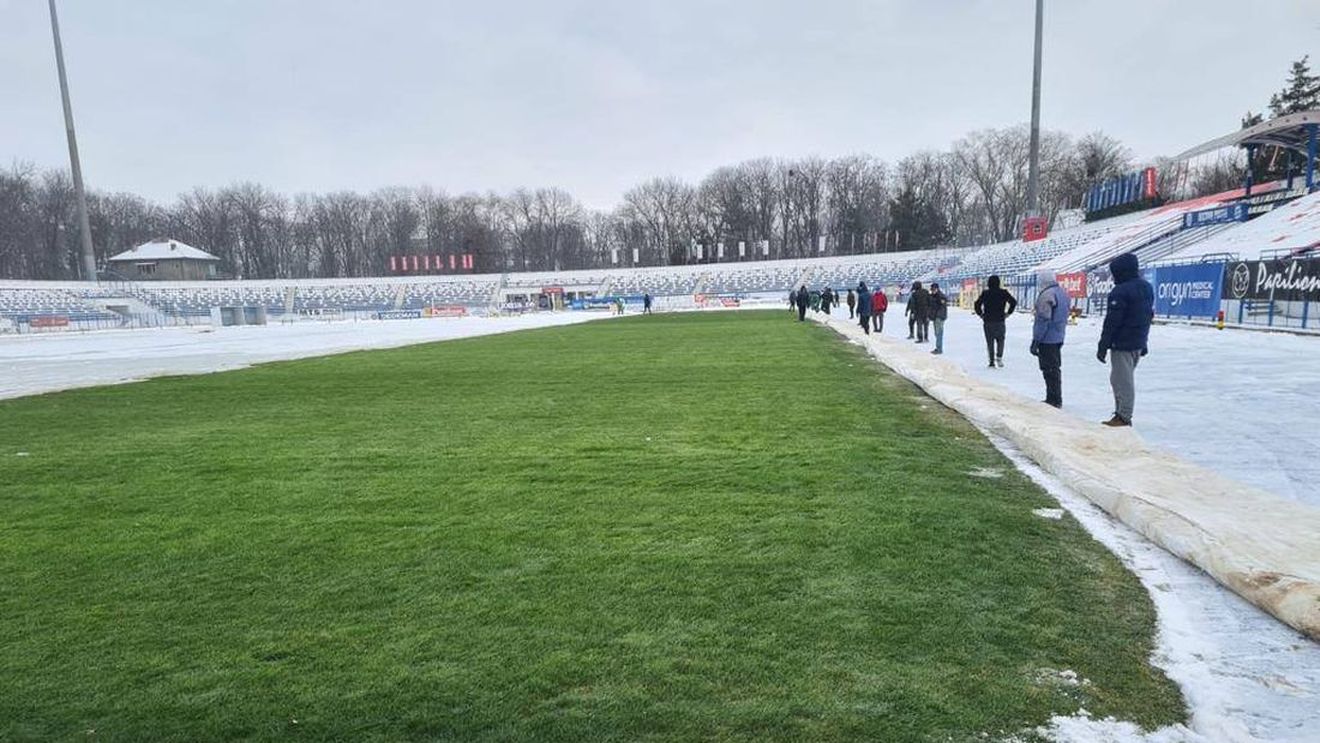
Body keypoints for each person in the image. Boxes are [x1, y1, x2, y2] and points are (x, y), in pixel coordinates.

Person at [1097, 252, 1154, 427]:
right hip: (1137, 340)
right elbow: (1147, 316)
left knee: (1122, 379)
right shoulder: (1146, 287)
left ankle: (1123, 416)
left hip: (1122, 342)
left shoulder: (1120, 291)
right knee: (1121, 378)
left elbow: (1112, 321)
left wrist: (1103, 345)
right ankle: (1121, 412)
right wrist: (1143, 341)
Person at [1031, 269, 1069, 408]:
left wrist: (1036, 340)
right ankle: (1055, 396)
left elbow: (1043, 319)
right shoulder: (1062, 292)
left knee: (1049, 369)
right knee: (1055, 367)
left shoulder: (1046, 295)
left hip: (1047, 337)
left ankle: (1053, 398)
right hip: (1059, 335)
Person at [973, 275, 1018, 368]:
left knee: (990, 341)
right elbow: (1013, 302)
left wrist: (981, 314)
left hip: (988, 321)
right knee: (1000, 340)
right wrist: (1008, 313)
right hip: (1000, 320)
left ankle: (991, 361)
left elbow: (977, 304)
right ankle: (999, 357)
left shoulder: (985, 293)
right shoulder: (1003, 293)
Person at [928, 283, 949, 354]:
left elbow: (942, 306)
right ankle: (938, 347)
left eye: (934, 290)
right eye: (932, 290)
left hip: (939, 317)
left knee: (939, 333)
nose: (932, 291)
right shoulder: (933, 296)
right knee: (937, 333)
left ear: (937, 289)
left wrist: (938, 316)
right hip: (935, 317)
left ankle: (939, 349)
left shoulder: (940, 296)